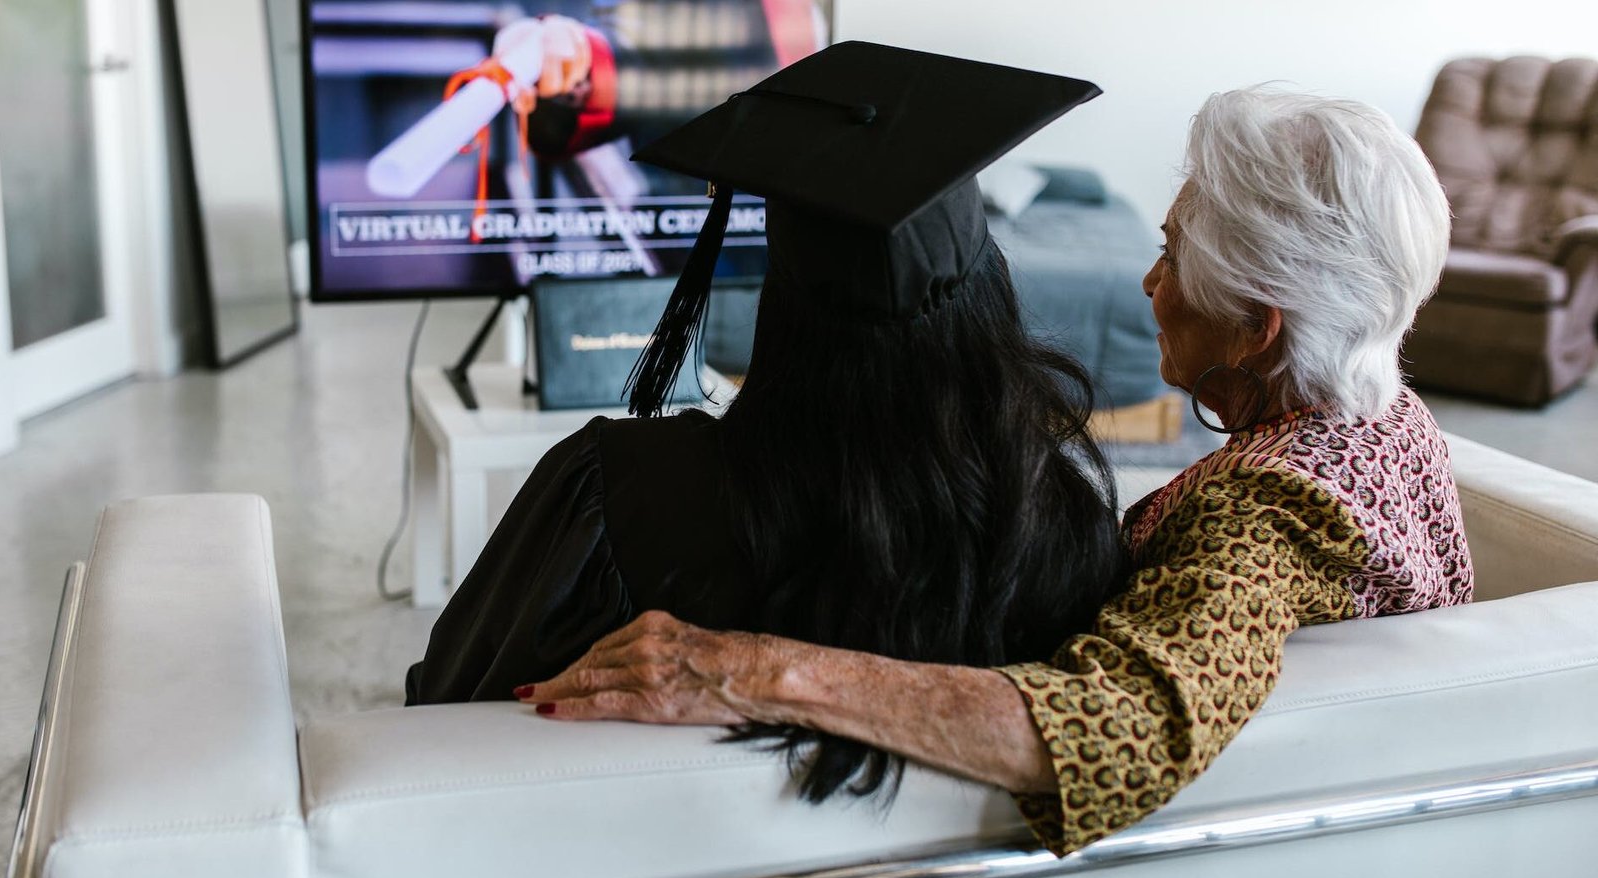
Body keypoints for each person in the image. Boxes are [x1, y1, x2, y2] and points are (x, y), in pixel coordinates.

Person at [522, 86, 1475, 857]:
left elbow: (1130, 722)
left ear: (1260, 325)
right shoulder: (1392, 424)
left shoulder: (1276, 515)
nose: (1151, 282)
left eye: (1172, 254)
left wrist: (749, 668)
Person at [406, 42, 1129, 803]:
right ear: (990, 299)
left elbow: (447, 705)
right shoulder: (1063, 535)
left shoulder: (617, 491)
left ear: (783, 311)